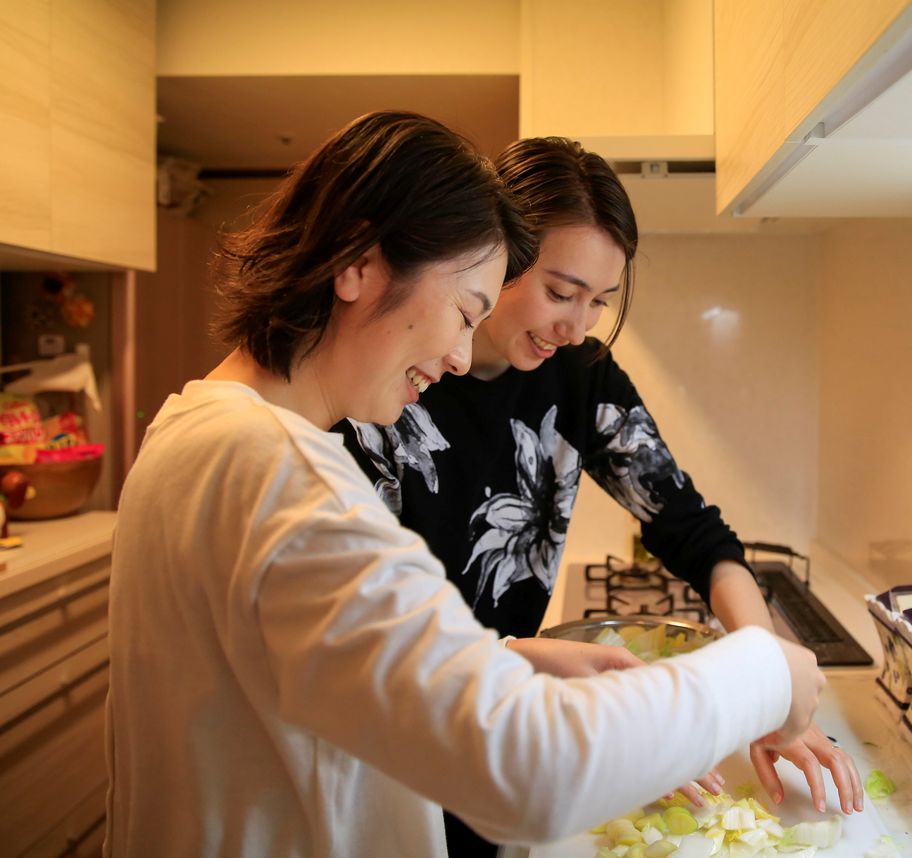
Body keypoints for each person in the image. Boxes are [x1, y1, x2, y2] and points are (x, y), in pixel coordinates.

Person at [104, 111, 826, 858]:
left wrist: (506, 662)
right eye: (463, 310)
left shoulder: (191, 432)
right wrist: (762, 674)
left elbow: (311, 679)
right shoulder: (279, 475)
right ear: (359, 262)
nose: (457, 357)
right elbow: (530, 767)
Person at [340, 136, 864, 857]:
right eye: (560, 292)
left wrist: (770, 680)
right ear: (496, 254)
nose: (575, 327)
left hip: (510, 726)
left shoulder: (578, 372)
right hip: (402, 745)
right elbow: (376, 645)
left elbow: (692, 531)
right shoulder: (388, 383)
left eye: (597, 302)